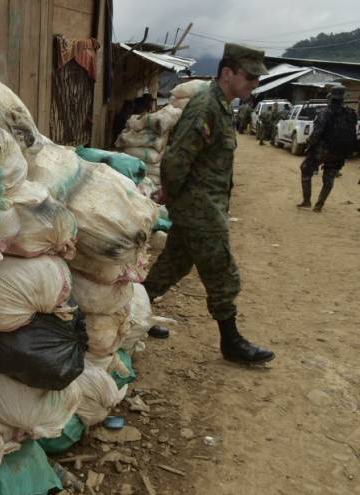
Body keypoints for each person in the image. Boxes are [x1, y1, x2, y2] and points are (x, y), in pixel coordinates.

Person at [142, 43, 275, 365]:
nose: (253, 84)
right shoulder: (206, 106)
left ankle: (133, 315)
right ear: (227, 73)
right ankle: (231, 342)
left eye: (257, 79)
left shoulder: (221, 105)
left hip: (201, 205)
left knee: (171, 266)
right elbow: (176, 159)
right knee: (222, 273)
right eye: (249, 77)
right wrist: (170, 195)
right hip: (199, 209)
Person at [297, 86, 358, 211]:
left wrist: (309, 145)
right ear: (343, 99)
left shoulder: (325, 112)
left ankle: (307, 201)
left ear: (330, 98)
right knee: (329, 179)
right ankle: (319, 205)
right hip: (340, 151)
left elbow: (317, 133)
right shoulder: (351, 113)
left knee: (305, 169)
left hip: (323, 150)